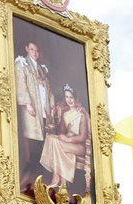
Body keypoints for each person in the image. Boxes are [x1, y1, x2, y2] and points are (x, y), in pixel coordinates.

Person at [14, 40, 53, 189]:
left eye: (36, 51)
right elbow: (21, 83)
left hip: (43, 109)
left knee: (43, 142)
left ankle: (41, 177)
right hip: (32, 109)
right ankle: (31, 178)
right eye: (32, 50)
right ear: (27, 49)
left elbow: (48, 89)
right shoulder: (22, 64)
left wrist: (51, 105)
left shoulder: (42, 69)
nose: (35, 53)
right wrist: (27, 103)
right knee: (32, 142)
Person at [39, 84, 91, 193]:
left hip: (79, 146)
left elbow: (82, 137)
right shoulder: (65, 113)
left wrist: (67, 139)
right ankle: (62, 181)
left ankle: (56, 177)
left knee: (55, 143)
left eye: (71, 97)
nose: (69, 100)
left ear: (75, 98)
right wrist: (58, 133)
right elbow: (62, 132)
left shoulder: (81, 114)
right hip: (66, 145)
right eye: (67, 97)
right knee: (51, 138)